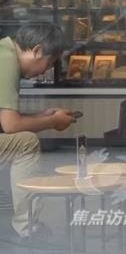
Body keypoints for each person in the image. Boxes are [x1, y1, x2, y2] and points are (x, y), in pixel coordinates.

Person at [0, 22, 77, 239]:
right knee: (26, 142)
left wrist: (43, 117)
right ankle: (27, 228)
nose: (45, 70)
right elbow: (11, 125)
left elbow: (5, 119)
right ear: (36, 51)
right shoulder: (6, 61)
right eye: (49, 63)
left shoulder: (4, 52)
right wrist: (52, 122)